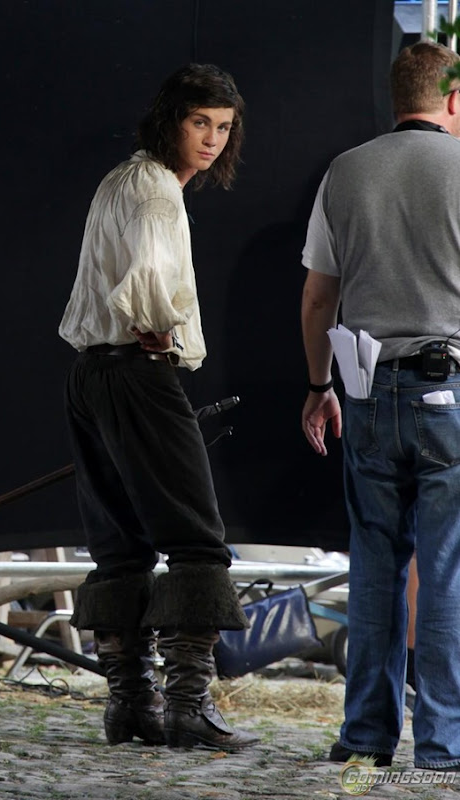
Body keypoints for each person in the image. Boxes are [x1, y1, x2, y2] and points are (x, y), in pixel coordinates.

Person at [59, 64, 259, 751]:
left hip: (91, 375)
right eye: (200, 122)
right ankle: (186, 708)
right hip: (137, 373)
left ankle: (130, 708)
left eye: (223, 126)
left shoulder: (124, 178)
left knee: (121, 546)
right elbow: (147, 275)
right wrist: (159, 328)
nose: (212, 138)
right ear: (172, 119)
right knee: (197, 541)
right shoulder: (154, 190)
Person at [300, 41, 460, 770]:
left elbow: (318, 297)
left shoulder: (345, 171)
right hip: (448, 391)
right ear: (451, 97)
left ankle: (365, 738)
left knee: (373, 564)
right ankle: (443, 745)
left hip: (364, 391)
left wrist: (318, 387)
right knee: (447, 568)